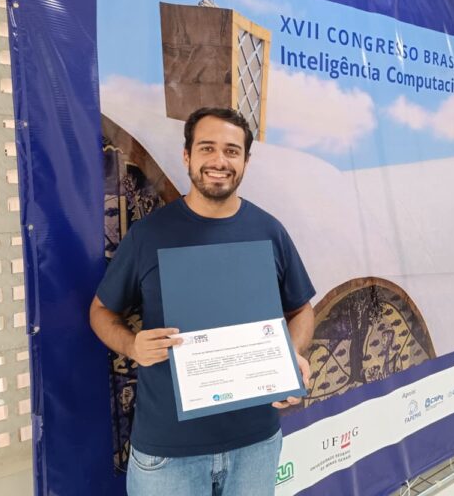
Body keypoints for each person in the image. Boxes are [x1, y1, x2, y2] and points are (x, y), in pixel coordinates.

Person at [90, 107, 316, 496]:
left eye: (232, 151)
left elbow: (301, 310)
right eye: (207, 148)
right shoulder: (149, 235)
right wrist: (132, 345)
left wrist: (289, 356)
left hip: (256, 445)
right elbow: (100, 311)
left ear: (245, 161)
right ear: (187, 156)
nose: (219, 161)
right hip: (168, 453)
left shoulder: (269, 231)